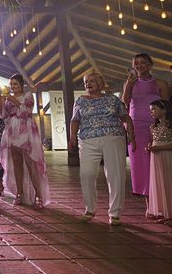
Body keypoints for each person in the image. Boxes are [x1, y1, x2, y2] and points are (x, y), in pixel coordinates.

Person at [70, 72, 135, 226]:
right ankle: (90, 209)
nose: (88, 84)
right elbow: (74, 120)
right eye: (86, 82)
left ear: (101, 83)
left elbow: (126, 117)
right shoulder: (80, 101)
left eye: (92, 81)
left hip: (114, 137)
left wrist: (131, 133)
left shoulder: (112, 99)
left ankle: (115, 213)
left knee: (115, 174)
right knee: (86, 173)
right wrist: (72, 137)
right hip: (87, 140)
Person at [0, 74, 50, 208]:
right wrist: (2, 104)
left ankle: (39, 194)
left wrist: (13, 100)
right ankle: (19, 193)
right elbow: (4, 115)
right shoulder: (8, 98)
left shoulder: (27, 96)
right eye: (11, 84)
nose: (13, 87)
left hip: (25, 129)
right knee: (16, 163)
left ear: (21, 85)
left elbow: (26, 112)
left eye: (15, 84)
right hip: (12, 130)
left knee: (30, 163)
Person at [122, 53, 169, 198]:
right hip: (136, 125)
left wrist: (165, 125)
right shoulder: (129, 83)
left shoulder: (160, 83)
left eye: (143, 62)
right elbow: (125, 102)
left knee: (156, 156)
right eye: (136, 63)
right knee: (138, 157)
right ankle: (144, 191)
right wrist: (128, 86)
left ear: (150, 65)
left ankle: (159, 190)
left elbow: (166, 105)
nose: (139, 65)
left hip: (155, 124)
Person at [146, 100, 172, 225]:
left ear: (164, 110)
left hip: (167, 156)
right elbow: (154, 142)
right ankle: (164, 212)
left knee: (169, 183)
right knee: (160, 182)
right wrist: (149, 147)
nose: (151, 112)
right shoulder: (153, 127)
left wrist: (159, 148)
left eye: (154, 109)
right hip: (156, 158)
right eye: (150, 109)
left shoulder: (170, 125)